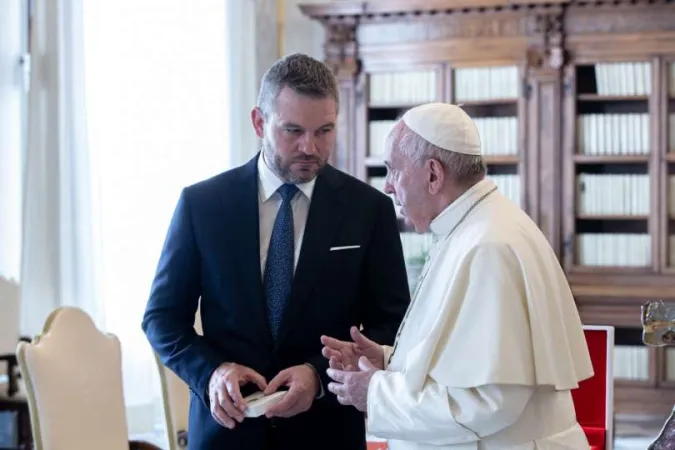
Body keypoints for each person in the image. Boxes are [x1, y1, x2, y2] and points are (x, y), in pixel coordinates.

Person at [141, 53, 410, 450]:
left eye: (324, 131)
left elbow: (394, 327)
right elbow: (161, 319)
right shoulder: (203, 205)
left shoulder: (368, 210)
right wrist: (211, 373)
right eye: (293, 130)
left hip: (326, 433)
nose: (310, 147)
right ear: (259, 122)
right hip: (225, 434)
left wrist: (318, 375)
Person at [322, 103, 595, 449]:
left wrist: (375, 391)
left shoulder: (489, 246)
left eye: (394, 171)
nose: (389, 187)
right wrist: (389, 361)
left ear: (433, 175)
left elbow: (488, 402)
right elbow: (461, 360)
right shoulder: (472, 228)